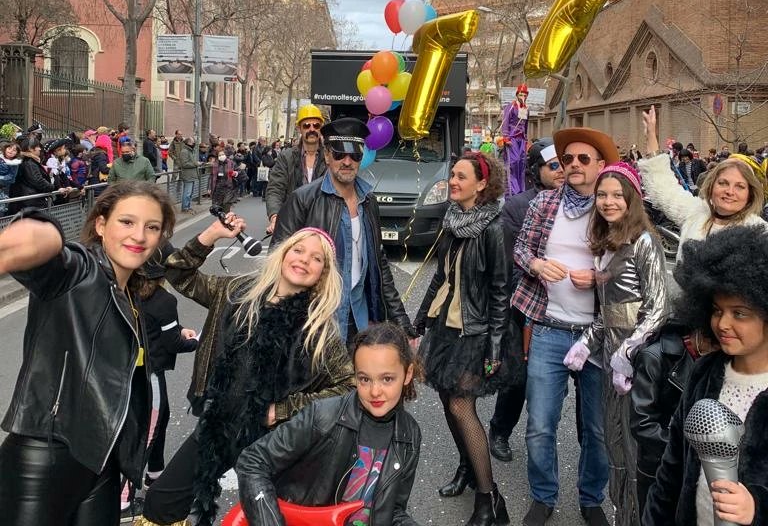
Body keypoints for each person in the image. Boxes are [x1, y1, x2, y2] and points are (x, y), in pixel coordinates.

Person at [137, 226, 356, 526]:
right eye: (298, 250)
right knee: (162, 502)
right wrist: (211, 234)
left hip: (274, 441)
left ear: (323, 272)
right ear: (283, 254)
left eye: (316, 258)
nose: (304, 260)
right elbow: (179, 274)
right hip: (219, 424)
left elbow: (347, 386)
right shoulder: (235, 292)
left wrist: (282, 410)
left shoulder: (319, 330)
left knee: (268, 518)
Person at [0, 182, 176, 526]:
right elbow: (53, 252)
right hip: (47, 455)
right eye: (126, 222)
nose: (139, 235)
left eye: (151, 227)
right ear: (100, 225)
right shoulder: (81, 271)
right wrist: (44, 231)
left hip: (103, 462)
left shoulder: (132, 297)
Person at [513, 126, 619, 526]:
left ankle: (591, 499)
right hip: (548, 329)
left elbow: (634, 267)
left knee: (596, 429)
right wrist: (537, 265)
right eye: (566, 160)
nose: (572, 165)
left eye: (582, 159)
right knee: (540, 425)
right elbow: (521, 249)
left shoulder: (613, 208)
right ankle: (543, 497)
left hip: (598, 334)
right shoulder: (544, 203)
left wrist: (599, 279)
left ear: (601, 166)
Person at [236, 322, 423, 526]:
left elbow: (392, 509)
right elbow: (253, 460)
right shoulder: (324, 415)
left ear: (408, 374)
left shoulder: (409, 435)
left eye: (387, 379)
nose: (375, 391)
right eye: (364, 379)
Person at [563, 162, 668, 526]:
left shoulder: (645, 242)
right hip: (610, 359)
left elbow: (658, 307)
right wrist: (586, 344)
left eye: (617, 195)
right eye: (602, 195)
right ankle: (623, 514)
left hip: (637, 365)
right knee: (614, 443)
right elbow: (608, 312)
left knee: (636, 447)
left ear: (632, 199)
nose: (608, 202)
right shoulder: (606, 245)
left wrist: (629, 351)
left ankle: (640, 517)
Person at [414, 151, 515, 526]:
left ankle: (490, 500)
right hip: (445, 325)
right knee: (445, 399)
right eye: (452, 175)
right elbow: (441, 276)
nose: (453, 181)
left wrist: (494, 345)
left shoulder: (494, 227)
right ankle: (468, 468)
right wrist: (420, 320)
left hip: (477, 330)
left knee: (461, 405)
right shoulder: (453, 218)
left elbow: (501, 289)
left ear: (482, 184)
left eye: (460, 176)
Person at [643, 225, 768, 525]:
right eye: (716, 310)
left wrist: (758, 509)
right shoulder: (705, 372)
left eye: (739, 313)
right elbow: (672, 469)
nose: (723, 323)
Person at [272, 117, 416, 343]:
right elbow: (277, 263)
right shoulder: (303, 199)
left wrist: (401, 322)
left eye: (354, 155)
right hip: (314, 322)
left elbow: (379, 264)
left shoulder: (369, 202)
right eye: (339, 154)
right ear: (327, 156)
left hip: (358, 321)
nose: (347, 162)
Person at [488, 137, 565, 462]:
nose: (562, 171)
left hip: (568, 313)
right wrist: (535, 284)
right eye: (554, 166)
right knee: (517, 378)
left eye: (564, 164)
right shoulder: (517, 206)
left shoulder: (577, 202)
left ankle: (543, 441)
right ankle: (500, 431)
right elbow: (508, 262)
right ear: (535, 170)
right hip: (526, 311)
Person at [638, 106, 766, 266]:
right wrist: (651, 136)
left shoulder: (759, 231)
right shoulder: (696, 213)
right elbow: (664, 187)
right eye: (723, 183)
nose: (730, 191)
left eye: (740, 186)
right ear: (711, 186)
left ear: (750, 194)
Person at [630, 320, 713, 518]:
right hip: (658, 468)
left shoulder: (719, 363)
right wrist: (685, 449)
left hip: (700, 472)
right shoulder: (654, 357)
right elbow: (642, 423)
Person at [138, 256, 199, 489]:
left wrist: (181, 330)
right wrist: (198, 342)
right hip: (150, 372)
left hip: (133, 370)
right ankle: (123, 495)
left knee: (161, 419)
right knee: (151, 429)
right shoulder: (164, 300)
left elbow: (161, 328)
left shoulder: (128, 294)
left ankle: (154, 474)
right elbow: (172, 344)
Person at [265, 104, 327, 234]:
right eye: (306, 125)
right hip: (292, 224)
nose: (312, 129)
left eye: (316, 125)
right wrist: (275, 216)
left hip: (324, 224)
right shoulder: (286, 157)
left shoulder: (331, 156)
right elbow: (275, 189)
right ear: (299, 128)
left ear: (321, 128)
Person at [8, 135, 60, 213]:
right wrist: (54, 188)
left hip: (28, 203)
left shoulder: (27, 161)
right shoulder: (29, 163)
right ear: (30, 149)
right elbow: (38, 181)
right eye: (37, 146)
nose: (39, 149)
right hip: (30, 204)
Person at [500, 83, 530, 196]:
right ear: (517, 94)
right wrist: (505, 137)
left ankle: (521, 191)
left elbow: (526, 125)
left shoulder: (527, 109)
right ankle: (512, 192)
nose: (523, 96)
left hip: (521, 140)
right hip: (512, 139)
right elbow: (506, 121)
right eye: (521, 93)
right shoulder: (511, 106)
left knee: (522, 163)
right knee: (513, 163)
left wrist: (526, 140)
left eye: (525, 94)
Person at [177, 136, 200, 213]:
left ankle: (188, 207)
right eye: (192, 142)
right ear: (187, 143)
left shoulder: (190, 151)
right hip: (187, 175)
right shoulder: (184, 151)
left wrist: (195, 164)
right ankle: (185, 208)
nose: (194, 143)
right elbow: (184, 164)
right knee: (187, 193)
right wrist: (196, 164)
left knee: (190, 193)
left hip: (192, 175)